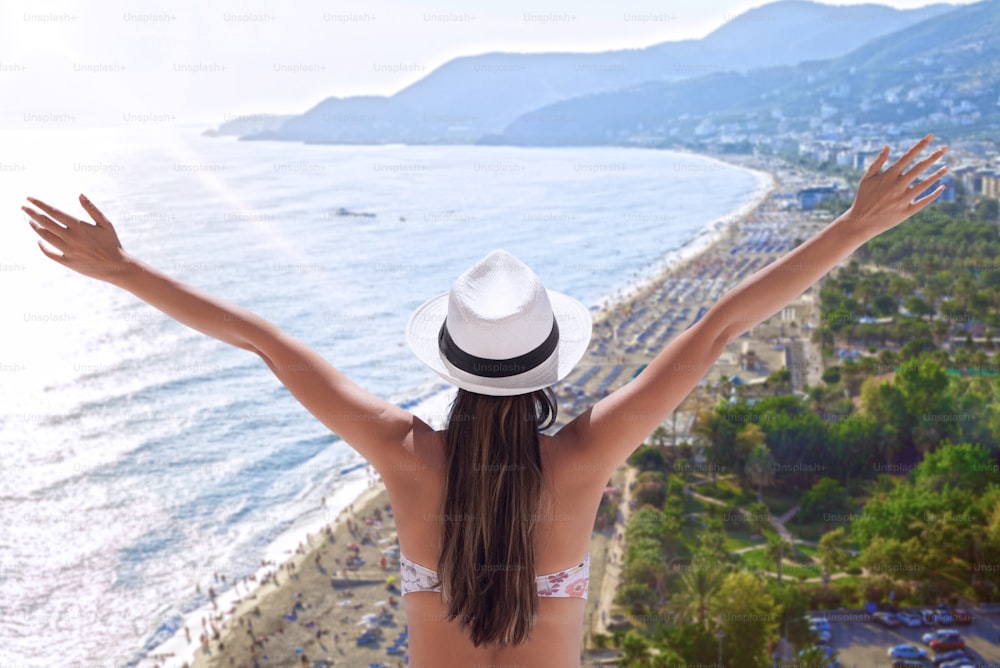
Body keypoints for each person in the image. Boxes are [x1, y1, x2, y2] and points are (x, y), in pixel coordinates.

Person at [21, 135, 947, 667]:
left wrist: (123, 268)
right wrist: (853, 226)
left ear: (456, 363)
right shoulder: (584, 456)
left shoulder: (403, 452)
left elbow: (266, 341)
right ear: (548, 361)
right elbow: (714, 329)